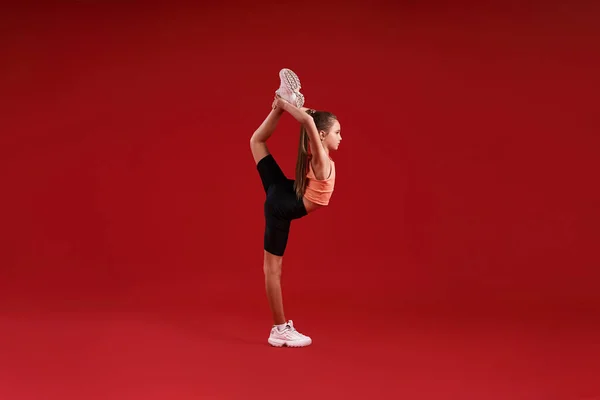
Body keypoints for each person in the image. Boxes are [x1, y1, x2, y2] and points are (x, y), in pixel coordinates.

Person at [249, 68, 342, 347]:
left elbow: (310, 120)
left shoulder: (318, 156)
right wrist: (287, 106)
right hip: (282, 205)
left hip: (284, 190)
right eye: (337, 132)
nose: (341, 137)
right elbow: (309, 124)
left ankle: (281, 98)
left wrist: (286, 102)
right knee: (272, 270)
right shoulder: (320, 159)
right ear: (323, 135)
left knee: (256, 142)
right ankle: (279, 329)